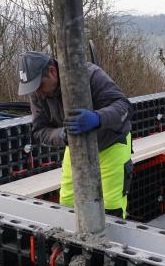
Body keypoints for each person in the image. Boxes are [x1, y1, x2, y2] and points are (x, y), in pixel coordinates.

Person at [17, 51, 134, 217]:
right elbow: (39, 131)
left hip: (111, 142)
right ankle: (72, 242)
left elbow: (125, 107)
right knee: (67, 202)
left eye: (39, 85)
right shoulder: (37, 94)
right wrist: (62, 135)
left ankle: (111, 242)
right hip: (75, 146)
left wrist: (98, 118)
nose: (38, 93)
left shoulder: (90, 74)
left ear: (52, 71)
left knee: (111, 206)